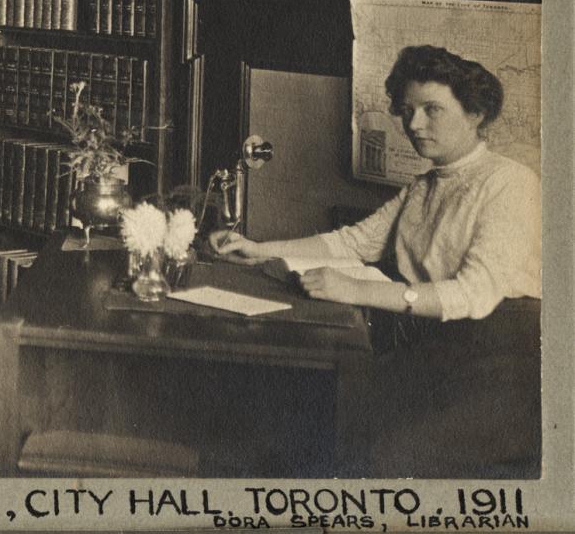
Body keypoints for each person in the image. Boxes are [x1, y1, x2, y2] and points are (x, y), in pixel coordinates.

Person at [210, 44, 540, 475]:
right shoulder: (424, 186)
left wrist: (357, 290)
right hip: (436, 347)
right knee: (317, 425)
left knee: (378, 458)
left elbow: (473, 295)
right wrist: (258, 249)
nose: (415, 124)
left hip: (503, 362)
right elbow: (353, 243)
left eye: (432, 110)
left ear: (475, 114)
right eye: (407, 110)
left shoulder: (509, 184)